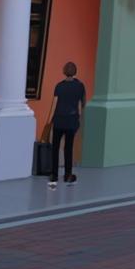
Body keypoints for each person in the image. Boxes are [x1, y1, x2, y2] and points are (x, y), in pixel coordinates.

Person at [45, 61, 87, 189]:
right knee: (68, 148)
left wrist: (49, 121)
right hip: (71, 120)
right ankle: (68, 175)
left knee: (55, 147)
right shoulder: (80, 86)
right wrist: (78, 118)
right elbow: (80, 105)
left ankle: (54, 175)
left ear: (64, 71)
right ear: (75, 72)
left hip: (59, 120)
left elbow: (54, 104)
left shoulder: (59, 86)